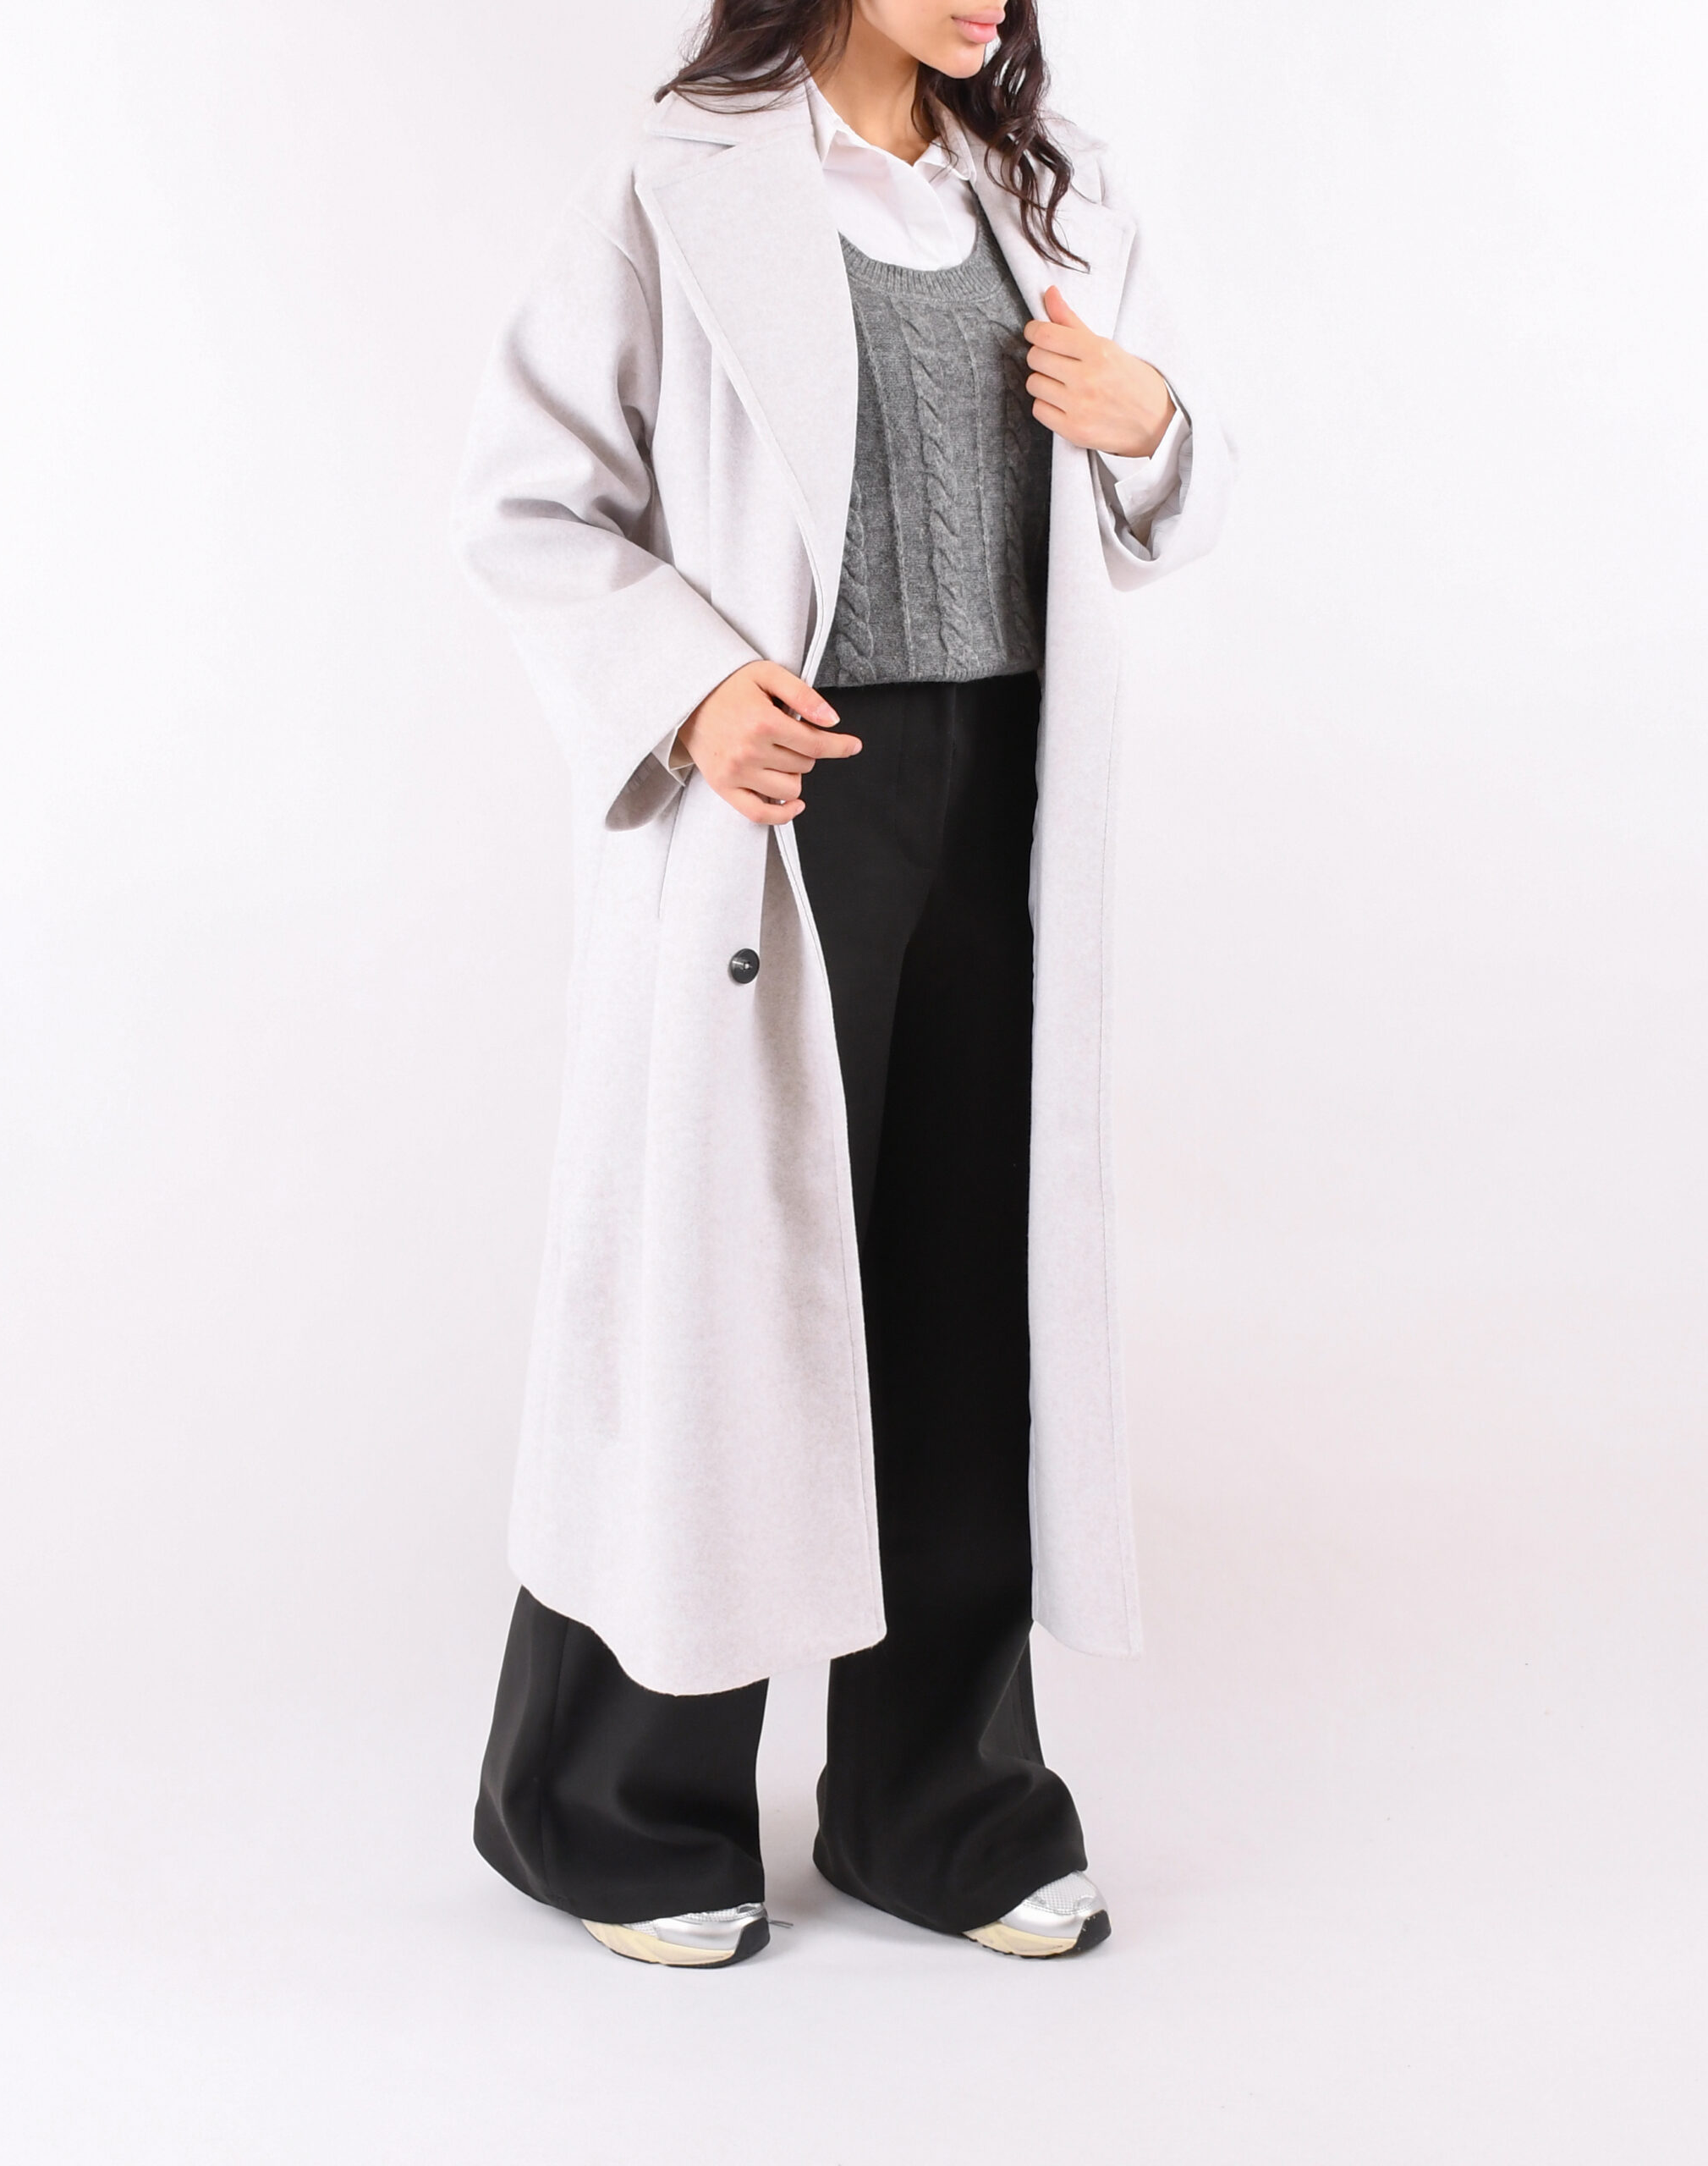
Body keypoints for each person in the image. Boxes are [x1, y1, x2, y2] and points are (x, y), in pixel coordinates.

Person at [452, 0, 1231, 1969]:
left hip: (1002, 799)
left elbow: (1149, 509)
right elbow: (529, 502)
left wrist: (1152, 422)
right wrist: (689, 686)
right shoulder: (673, 178)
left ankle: (937, 1801)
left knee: (961, 1291)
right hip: (786, 804)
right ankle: (609, 1802)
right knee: (710, 1299)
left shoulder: (1044, 193)